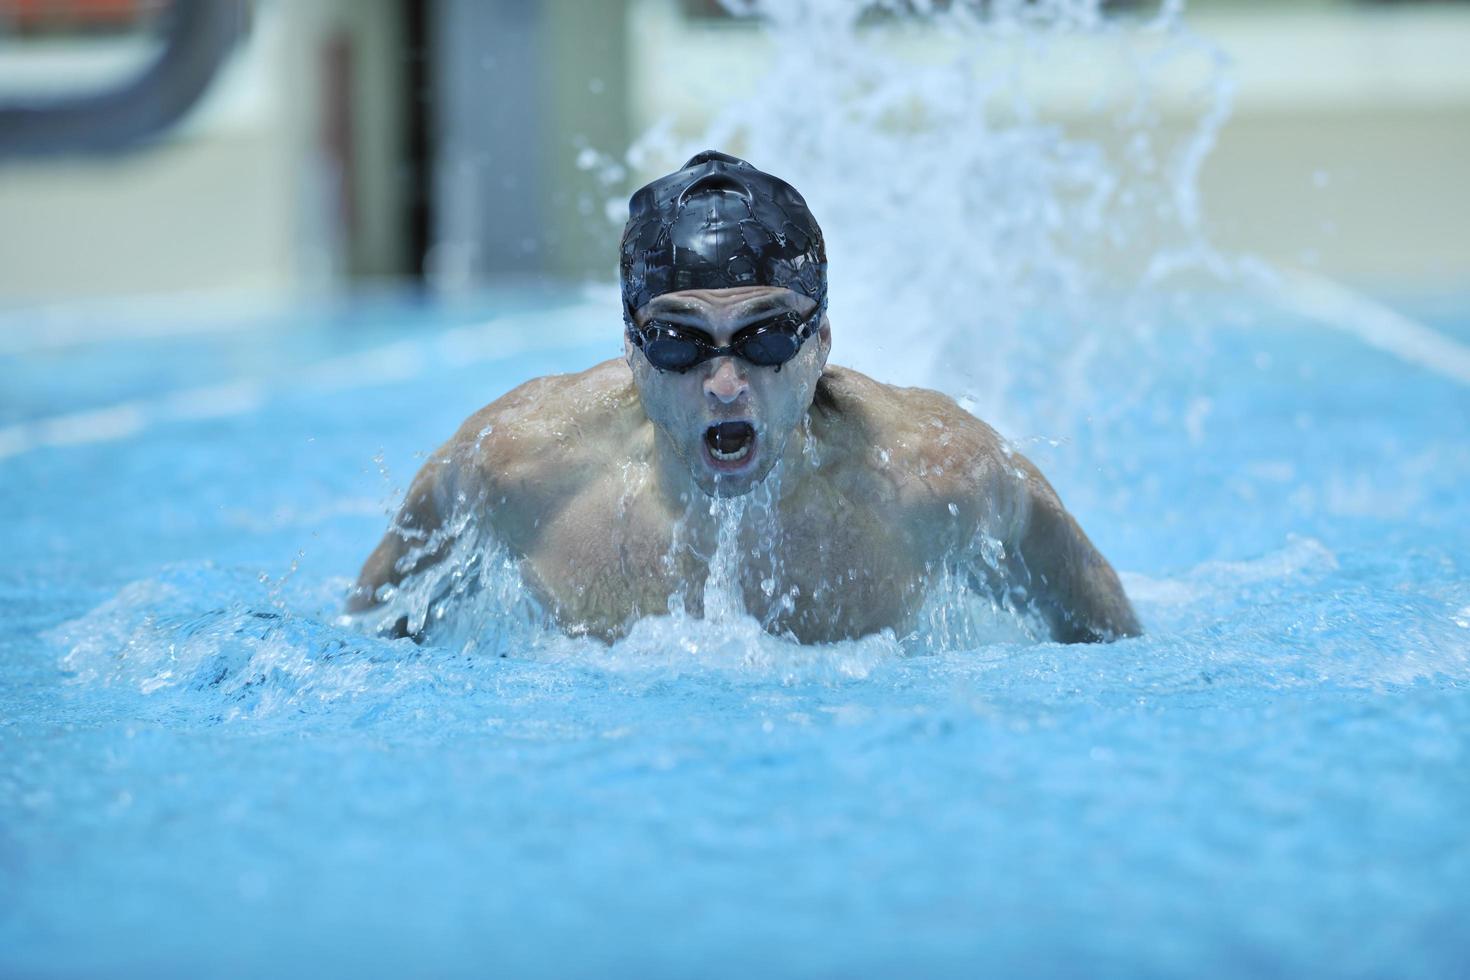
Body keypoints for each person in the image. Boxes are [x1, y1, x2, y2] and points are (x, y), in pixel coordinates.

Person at [349, 150, 1140, 645]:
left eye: (764, 337)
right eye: (679, 342)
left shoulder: (941, 481)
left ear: (821, 342)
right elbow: (368, 641)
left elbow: (1112, 652)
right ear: (631, 348)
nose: (725, 385)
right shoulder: (518, 470)